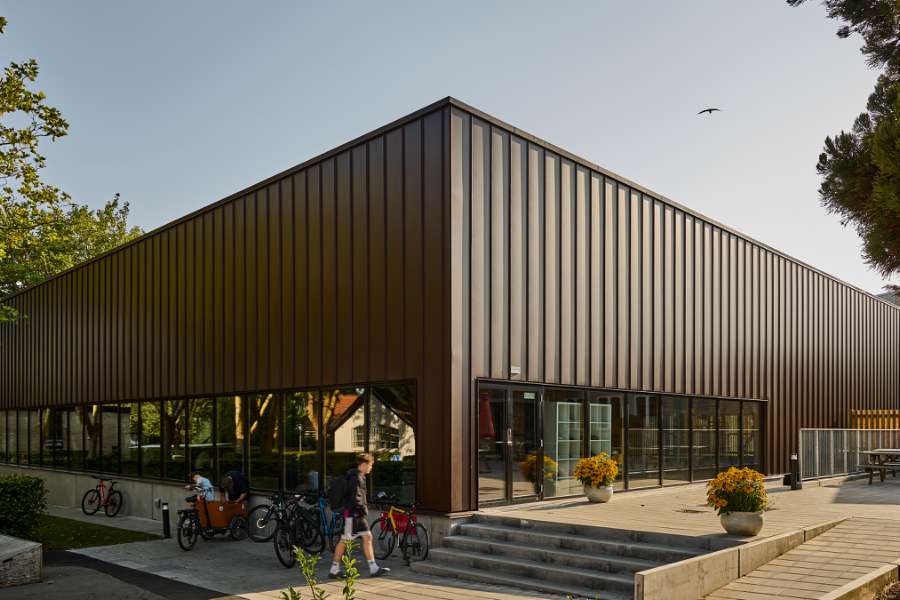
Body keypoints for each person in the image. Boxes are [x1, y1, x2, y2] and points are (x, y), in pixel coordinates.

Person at [329, 453, 390, 579]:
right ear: (363, 465)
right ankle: (334, 569)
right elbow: (355, 497)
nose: (371, 468)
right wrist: (361, 510)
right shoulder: (356, 477)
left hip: (355, 513)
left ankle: (373, 568)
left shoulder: (358, 476)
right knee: (345, 540)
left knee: (367, 537)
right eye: (370, 465)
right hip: (353, 514)